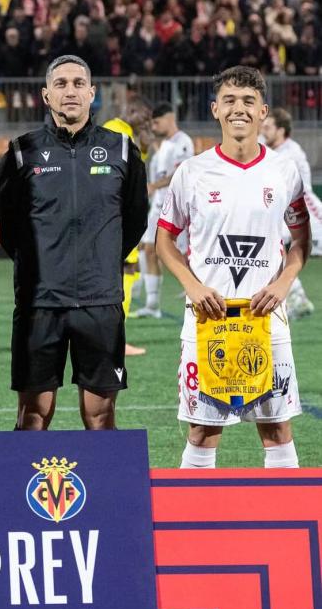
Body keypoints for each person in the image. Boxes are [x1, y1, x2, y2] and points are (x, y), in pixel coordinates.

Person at [156, 66, 311, 469]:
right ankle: (192, 531)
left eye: (247, 102)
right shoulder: (191, 173)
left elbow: (301, 239)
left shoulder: (285, 172)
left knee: (277, 430)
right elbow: (164, 240)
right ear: (214, 109)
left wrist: (283, 284)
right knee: (202, 433)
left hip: (266, 319)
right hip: (208, 320)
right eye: (229, 100)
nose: (238, 109)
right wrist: (192, 285)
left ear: (264, 111)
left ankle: (285, 528)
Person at [0, 55, 149, 431]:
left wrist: (102, 259)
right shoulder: (21, 152)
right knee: (33, 415)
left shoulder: (123, 150)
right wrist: (40, 263)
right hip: (39, 304)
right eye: (60, 84)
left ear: (92, 93)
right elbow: (5, 224)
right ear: (46, 96)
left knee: (100, 416)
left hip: (100, 302)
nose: (70, 91)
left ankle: (103, 492)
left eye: (79, 83)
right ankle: (25, 492)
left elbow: (135, 220)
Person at [103, 95, 154, 355]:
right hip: (115, 213)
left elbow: (137, 169)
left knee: (129, 268)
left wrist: (145, 142)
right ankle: (114, 339)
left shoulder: (130, 133)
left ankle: (115, 336)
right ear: (129, 110)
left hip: (125, 212)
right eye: (141, 114)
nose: (146, 119)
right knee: (122, 269)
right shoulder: (114, 128)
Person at [135, 102, 194, 318]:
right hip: (158, 204)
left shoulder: (183, 142)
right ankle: (152, 304)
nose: (154, 126)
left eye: (157, 122)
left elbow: (179, 174)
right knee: (148, 248)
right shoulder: (165, 145)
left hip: (175, 207)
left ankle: (196, 291)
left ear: (170, 119)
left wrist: (153, 186)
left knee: (180, 255)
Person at [261, 108, 316, 319]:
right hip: (287, 209)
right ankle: (298, 298)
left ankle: (297, 298)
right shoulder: (275, 148)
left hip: (303, 206)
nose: (263, 131)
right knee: (273, 248)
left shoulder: (289, 153)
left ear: (281, 130)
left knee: (275, 247)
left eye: (268, 127)